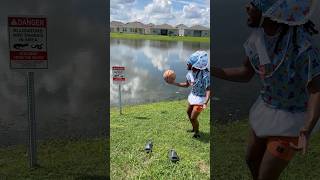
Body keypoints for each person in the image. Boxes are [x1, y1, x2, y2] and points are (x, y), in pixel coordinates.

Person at [212, 0, 320, 179]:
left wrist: (307, 128)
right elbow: (246, 73)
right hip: (267, 108)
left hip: (292, 119)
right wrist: (213, 70)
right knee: (251, 160)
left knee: (266, 176)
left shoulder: (301, 45)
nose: (247, 7)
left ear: (272, 12)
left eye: (254, 4)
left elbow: (316, 89)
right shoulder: (257, 39)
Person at [166, 51, 211, 138]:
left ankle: (197, 133)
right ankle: (194, 128)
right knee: (188, 112)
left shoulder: (205, 75)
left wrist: (205, 102)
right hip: (193, 96)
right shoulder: (190, 74)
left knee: (193, 117)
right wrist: (174, 83)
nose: (187, 64)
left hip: (201, 100)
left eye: (189, 63)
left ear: (195, 65)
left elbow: (208, 90)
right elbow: (186, 85)